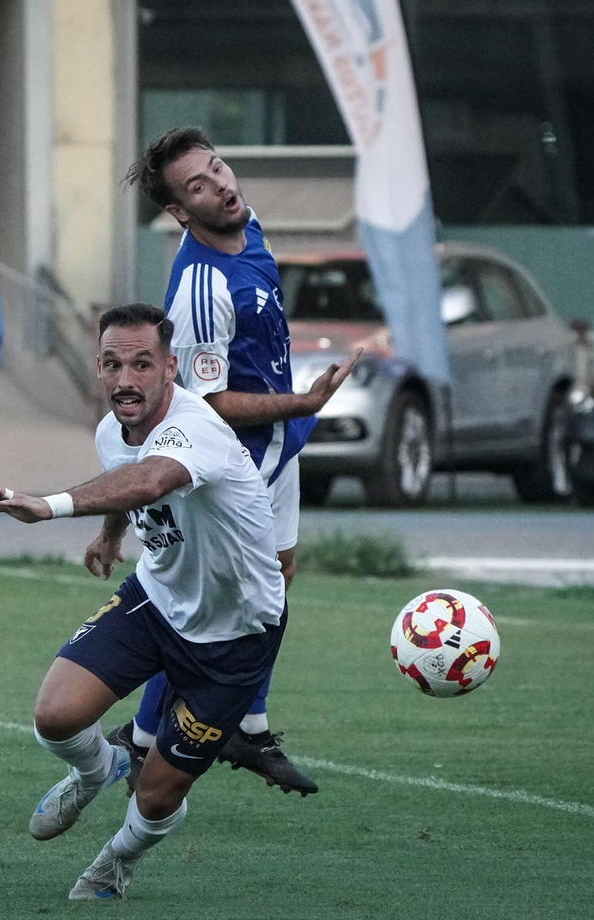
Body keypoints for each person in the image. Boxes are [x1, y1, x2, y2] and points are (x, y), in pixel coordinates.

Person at [0, 303, 288, 899]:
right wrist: (111, 535)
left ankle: (115, 861)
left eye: (142, 364)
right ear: (98, 368)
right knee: (55, 718)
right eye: (113, 364)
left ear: (170, 368)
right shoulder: (111, 429)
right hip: (157, 597)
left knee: (157, 794)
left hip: (237, 632)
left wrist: (50, 504)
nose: (125, 379)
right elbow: (125, 476)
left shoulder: (194, 427)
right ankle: (97, 767)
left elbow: (149, 480)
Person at [111, 127, 359, 797]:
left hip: (280, 446)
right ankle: (138, 740)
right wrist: (299, 400)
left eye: (217, 169)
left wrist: (295, 412)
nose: (220, 184)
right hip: (232, 462)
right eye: (198, 185)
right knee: (203, 605)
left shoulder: (250, 229)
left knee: (276, 582)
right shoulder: (197, 286)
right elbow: (209, 403)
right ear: (177, 212)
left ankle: (246, 726)